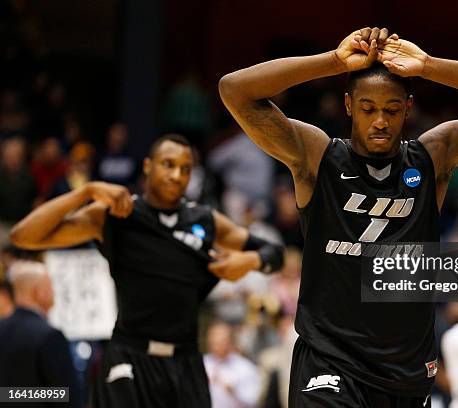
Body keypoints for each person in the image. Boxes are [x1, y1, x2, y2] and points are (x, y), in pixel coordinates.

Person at [219, 27, 458, 407]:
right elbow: (234, 89)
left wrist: (430, 66)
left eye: (391, 110)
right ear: (349, 106)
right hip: (330, 359)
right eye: (368, 109)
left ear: (408, 108)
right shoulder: (318, 158)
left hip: (404, 370)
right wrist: (332, 61)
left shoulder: (432, 158)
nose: (380, 121)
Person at [10, 134, 284, 408]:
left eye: (185, 169)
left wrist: (249, 261)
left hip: (185, 360)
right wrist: (86, 192)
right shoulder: (119, 214)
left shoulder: (204, 220)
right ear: (147, 166)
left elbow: (275, 253)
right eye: (168, 164)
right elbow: (24, 236)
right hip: (129, 356)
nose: (177, 175)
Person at [0, 260, 79, 407]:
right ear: (38, 292)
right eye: (50, 287)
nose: (54, 293)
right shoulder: (49, 336)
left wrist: (10, 394)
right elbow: (66, 395)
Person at [203, 321, 262, 408]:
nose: (218, 346)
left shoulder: (245, 367)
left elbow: (255, 400)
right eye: (214, 342)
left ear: (230, 342)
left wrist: (234, 391)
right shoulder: (202, 364)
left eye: (221, 342)